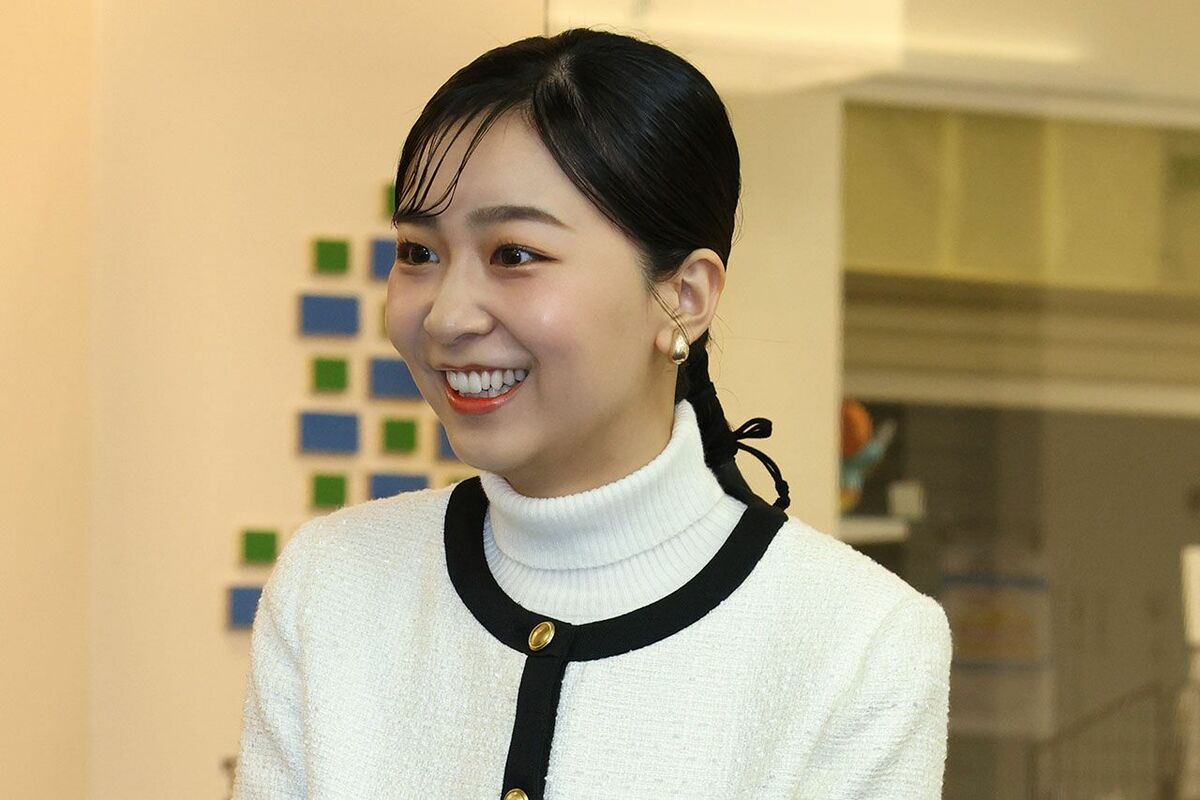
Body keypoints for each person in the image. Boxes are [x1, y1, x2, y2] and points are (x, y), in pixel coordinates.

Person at [233, 27, 952, 800]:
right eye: (417, 253)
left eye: (514, 254)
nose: (445, 316)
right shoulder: (331, 582)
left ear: (684, 295)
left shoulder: (859, 643)